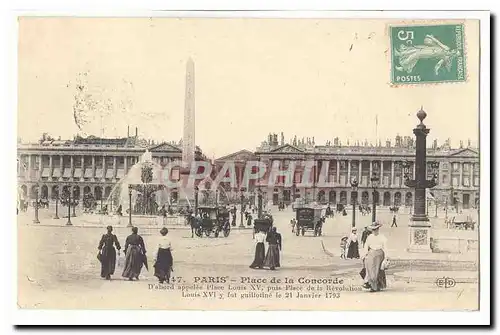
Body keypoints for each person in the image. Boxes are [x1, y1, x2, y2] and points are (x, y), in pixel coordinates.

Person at [361, 222, 388, 292]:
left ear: (378, 229)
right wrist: (364, 255)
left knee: (377, 270)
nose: (375, 231)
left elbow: (385, 247)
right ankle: (370, 283)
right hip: (371, 253)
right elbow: (366, 246)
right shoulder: (370, 237)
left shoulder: (382, 237)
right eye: (373, 230)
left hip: (379, 254)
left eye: (376, 229)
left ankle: (376, 285)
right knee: (369, 267)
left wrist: (386, 257)